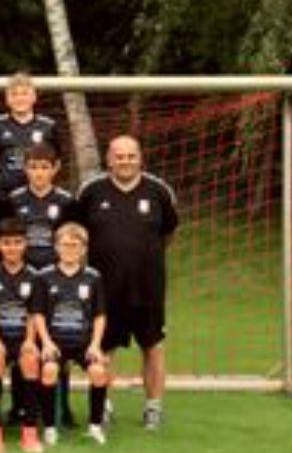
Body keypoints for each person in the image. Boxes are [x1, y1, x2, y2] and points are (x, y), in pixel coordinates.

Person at [76, 135, 178, 430]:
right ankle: (104, 407)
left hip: (148, 288)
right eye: (119, 156)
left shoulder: (159, 191)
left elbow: (169, 233)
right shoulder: (90, 191)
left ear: (140, 158)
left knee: (153, 347)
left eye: (131, 156)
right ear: (109, 159)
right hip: (104, 290)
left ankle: (153, 408)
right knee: (104, 349)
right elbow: (77, 236)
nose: (125, 161)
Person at [7, 144, 78, 426]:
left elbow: (73, 241)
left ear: (55, 169)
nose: (39, 173)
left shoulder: (66, 201)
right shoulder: (14, 199)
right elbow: (9, 239)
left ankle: (62, 407)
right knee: (22, 341)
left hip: (54, 281)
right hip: (22, 279)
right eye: (33, 167)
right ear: (25, 169)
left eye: (44, 167)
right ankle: (20, 407)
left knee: (56, 341)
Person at [33, 222, 109, 445]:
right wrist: (46, 342)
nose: (70, 250)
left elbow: (100, 315)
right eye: (65, 245)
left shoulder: (93, 277)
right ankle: (49, 428)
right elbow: (38, 314)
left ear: (84, 249)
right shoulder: (44, 276)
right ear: (56, 247)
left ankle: (95, 427)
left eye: (75, 245)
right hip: (55, 342)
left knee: (98, 372)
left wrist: (95, 345)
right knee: (49, 370)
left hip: (83, 343)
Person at [0, 218, 44, 453]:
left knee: (30, 359)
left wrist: (29, 341)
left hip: (23, 337)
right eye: (7, 243)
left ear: (25, 244)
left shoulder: (34, 275)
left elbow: (33, 313)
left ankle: (29, 432)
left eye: (18, 242)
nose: (12, 248)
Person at [0, 71, 60, 198]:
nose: (19, 98)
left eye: (24, 93)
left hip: (37, 194)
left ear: (34, 97)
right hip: (4, 194)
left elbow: (57, 161)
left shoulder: (48, 125)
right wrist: (3, 178)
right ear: (7, 99)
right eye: (14, 94)